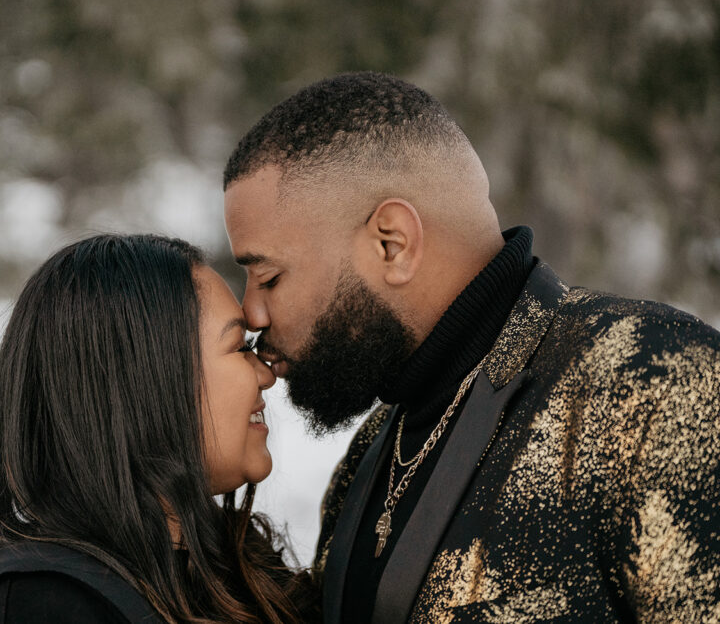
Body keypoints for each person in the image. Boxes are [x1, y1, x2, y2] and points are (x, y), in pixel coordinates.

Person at [222, 72, 720, 623]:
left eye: (267, 278)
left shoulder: (654, 386)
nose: (252, 314)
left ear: (392, 243)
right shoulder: (370, 456)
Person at [0, 234, 320, 623]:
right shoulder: (46, 602)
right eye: (239, 348)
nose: (265, 374)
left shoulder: (235, 565)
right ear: (145, 382)